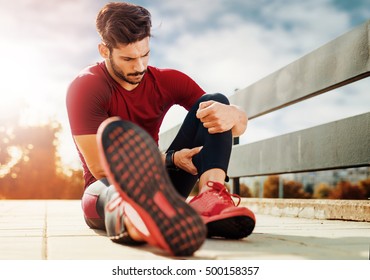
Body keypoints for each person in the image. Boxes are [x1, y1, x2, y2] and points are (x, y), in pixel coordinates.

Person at [66, 2, 255, 256]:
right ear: (104, 50)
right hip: (107, 188)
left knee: (216, 102)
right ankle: (139, 222)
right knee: (118, 193)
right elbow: (101, 166)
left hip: (163, 185)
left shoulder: (167, 81)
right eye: (128, 58)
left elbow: (230, 128)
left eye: (145, 54)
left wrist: (235, 114)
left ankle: (210, 200)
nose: (139, 66)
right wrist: (171, 159)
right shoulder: (86, 87)